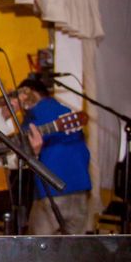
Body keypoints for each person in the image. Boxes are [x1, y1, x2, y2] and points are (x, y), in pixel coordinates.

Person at [16, 78, 91, 235]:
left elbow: (22, 144)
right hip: (80, 189)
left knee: (39, 250)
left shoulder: (36, 114)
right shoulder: (65, 111)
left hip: (52, 192)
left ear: (30, 93)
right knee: (74, 251)